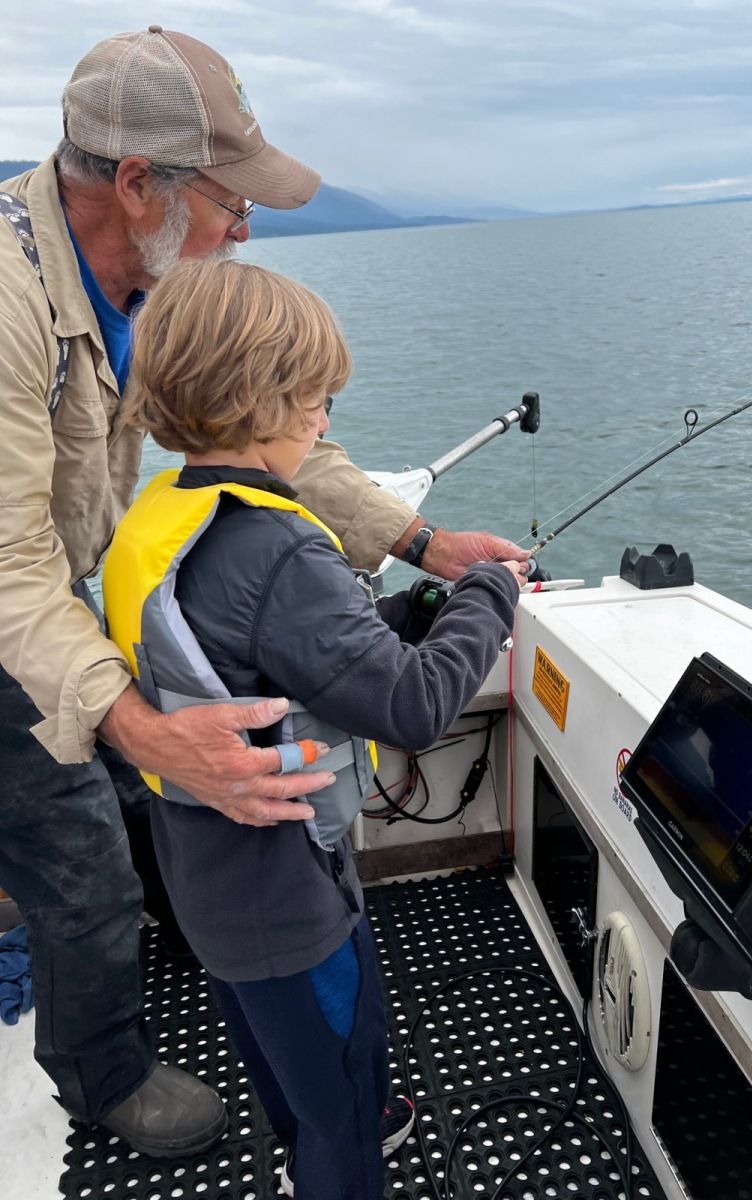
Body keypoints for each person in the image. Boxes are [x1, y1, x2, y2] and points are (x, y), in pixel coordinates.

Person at [0, 25, 530, 1156]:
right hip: (10, 608)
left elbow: (268, 436)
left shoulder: (155, 284)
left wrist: (422, 545)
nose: (246, 227)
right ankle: (103, 1077)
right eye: (230, 201)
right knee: (80, 859)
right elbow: (10, 566)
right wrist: (142, 727)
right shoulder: (7, 298)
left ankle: (229, 974)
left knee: (144, 813)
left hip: (69, 596)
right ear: (137, 184)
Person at [101, 256, 525, 1199]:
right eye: (316, 401)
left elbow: (271, 650)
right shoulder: (279, 548)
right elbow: (413, 706)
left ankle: (317, 1141)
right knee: (341, 1088)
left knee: (284, 1059)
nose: (325, 423)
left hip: (203, 874)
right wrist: (487, 593)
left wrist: (408, 615)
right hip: (289, 893)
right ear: (260, 403)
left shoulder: (166, 513)